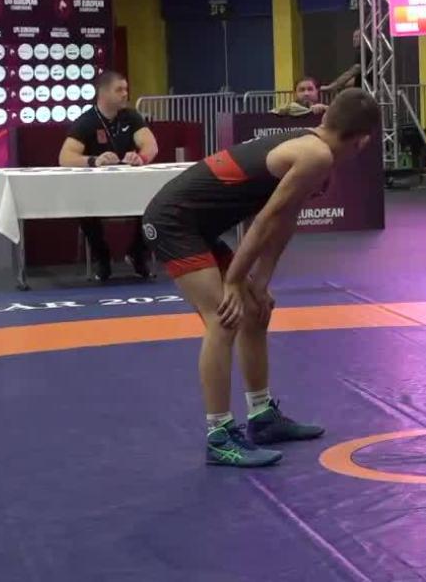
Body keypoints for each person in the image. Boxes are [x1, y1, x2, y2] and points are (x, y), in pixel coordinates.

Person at [141, 88, 381, 467]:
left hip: (196, 223)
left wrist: (260, 281)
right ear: (363, 140)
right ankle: (219, 435)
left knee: (254, 311)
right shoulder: (316, 155)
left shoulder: (313, 149)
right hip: (174, 221)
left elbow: (284, 220)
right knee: (224, 317)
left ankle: (262, 416)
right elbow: (266, 219)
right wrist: (235, 281)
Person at [59, 71, 157, 281]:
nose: (125, 94)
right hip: (95, 191)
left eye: (126, 89)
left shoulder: (131, 117)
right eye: (119, 90)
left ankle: (137, 253)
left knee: (156, 204)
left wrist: (140, 157)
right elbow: (65, 157)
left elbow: (151, 145)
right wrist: (93, 160)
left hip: (130, 187)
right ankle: (102, 257)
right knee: (84, 206)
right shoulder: (86, 121)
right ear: (103, 93)